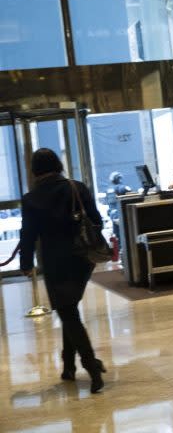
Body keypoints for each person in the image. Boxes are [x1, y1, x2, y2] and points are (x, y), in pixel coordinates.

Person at [19, 148, 107, 393]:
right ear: (57, 164)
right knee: (68, 308)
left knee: (67, 312)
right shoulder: (77, 187)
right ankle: (68, 366)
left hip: (55, 262)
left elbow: (28, 234)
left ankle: (91, 366)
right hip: (82, 258)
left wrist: (26, 263)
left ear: (35, 169)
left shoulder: (31, 199)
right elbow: (96, 219)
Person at [106, 171, 131, 240]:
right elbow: (130, 193)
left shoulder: (109, 190)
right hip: (121, 215)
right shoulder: (121, 188)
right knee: (125, 235)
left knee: (117, 236)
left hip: (113, 215)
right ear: (119, 179)